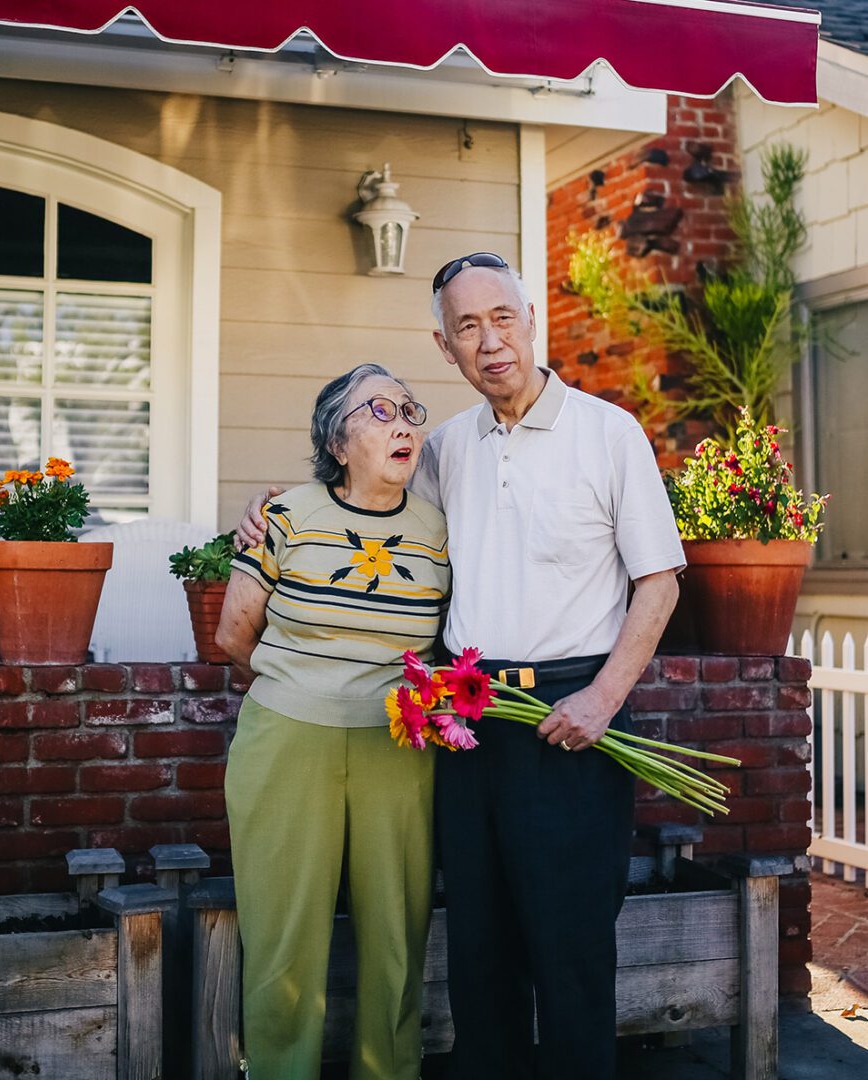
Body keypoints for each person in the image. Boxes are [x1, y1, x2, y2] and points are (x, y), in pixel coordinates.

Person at [236, 254, 684, 1079]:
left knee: (571, 951)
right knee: (480, 955)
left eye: (502, 317)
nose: (490, 341)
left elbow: (658, 578)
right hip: (468, 721)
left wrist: (603, 697)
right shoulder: (444, 449)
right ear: (445, 348)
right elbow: (365, 500)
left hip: (571, 720)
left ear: (530, 318)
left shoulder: (607, 431)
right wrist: (272, 517)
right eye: (467, 327)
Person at [216, 363, 451, 1080]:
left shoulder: (441, 530)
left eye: (411, 408)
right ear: (337, 441)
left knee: (396, 940)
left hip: (399, 746)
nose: (404, 422)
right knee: (283, 940)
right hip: (287, 741)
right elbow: (233, 635)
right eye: (379, 410)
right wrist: (309, 688)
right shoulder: (285, 515)